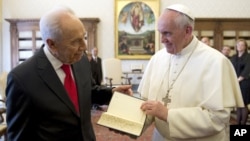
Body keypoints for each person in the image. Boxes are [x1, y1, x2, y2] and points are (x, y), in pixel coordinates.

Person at [5, 6, 132, 141]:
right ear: (52, 44)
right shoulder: (22, 78)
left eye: (83, 37)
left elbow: (88, 91)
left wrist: (111, 93)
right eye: (75, 42)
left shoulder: (81, 59)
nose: (84, 47)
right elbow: (17, 137)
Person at [138, 4, 244, 141]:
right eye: (160, 33)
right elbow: (148, 105)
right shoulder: (157, 58)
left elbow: (217, 119)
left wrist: (168, 115)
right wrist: (129, 121)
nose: (162, 40)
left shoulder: (216, 62)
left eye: (167, 33)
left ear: (187, 31)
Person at [230, 39, 250, 125]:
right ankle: (238, 124)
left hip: (245, 83)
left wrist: (237, 80)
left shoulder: (248, 57)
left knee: (243, 104)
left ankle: (243, 125)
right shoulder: (234, 57)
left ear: (245, 47)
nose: (240, 46)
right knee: (238, 104)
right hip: (235, 82)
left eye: (242, 45)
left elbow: (247, 70)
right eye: (238, 45)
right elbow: (230, 69)